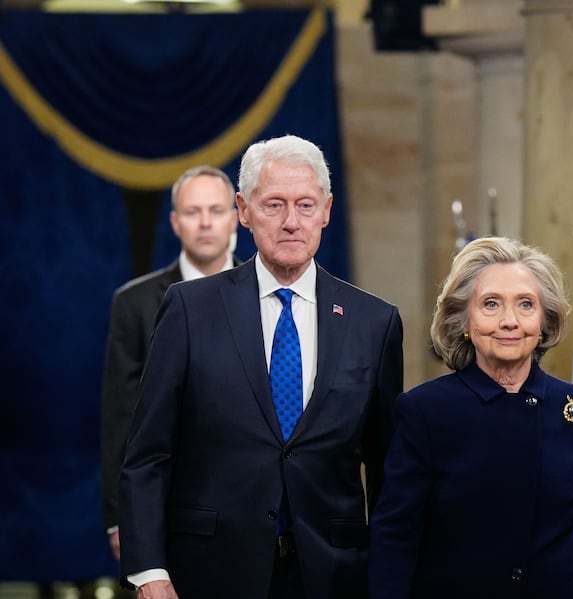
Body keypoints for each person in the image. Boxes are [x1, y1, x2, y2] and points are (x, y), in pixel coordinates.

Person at [117, 134, 404, 599]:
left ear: (327, 210)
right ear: (244, 210)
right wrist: (149, 570)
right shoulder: (190, 309)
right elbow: (148, 453)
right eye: (274, 204)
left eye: (305, 205)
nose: (291, 221)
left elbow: (388, 467)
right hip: (210, 571)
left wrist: (391, 577)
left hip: (333, 575)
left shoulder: (375, 321)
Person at [369, 236, 573, 599]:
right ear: (464, 319)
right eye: (491, 304)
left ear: (544, 320)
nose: (509, 321)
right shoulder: (424, 411)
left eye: (526, 304)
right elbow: (395, 536)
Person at [100, 165, 240, 560]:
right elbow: (120, 417)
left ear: (236, 218)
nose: (205, 223)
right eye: (193, 212)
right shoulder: (134, 303)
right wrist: (119, 517)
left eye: (216, 210)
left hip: (252, 500)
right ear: (176, 222)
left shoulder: (267, 295)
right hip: (166, 501)